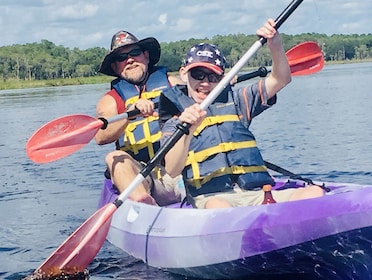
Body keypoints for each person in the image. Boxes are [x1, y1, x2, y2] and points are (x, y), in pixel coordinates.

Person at [159, 19, 324, 209]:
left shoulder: (238, 101)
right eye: (198, 75)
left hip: (257, 192)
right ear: (183, 74)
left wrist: (275, 44)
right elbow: (172, 169)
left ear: (223, 78)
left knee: (314, 193)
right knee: (219, 207)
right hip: (212, 197)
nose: (205, 83)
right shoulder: (175, 118)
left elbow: (281, 78)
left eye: (213, 77)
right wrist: (187, 129)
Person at [95, 30, 183, 206]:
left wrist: (219, 83)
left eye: (134, 53)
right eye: (121, 58)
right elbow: (100, 137)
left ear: (146, 56)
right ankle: (146, 205)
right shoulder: (111, 100)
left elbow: (202, 100)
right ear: (115, 67)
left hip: (179, 170)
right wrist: (129, 115)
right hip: (142, 176)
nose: (129, 60)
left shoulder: (173, 84)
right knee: (114, 158)